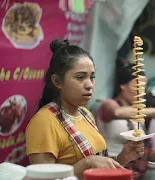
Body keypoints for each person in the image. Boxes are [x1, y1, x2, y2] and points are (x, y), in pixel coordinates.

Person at [25, 39, 144, 179]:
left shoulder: (85, 114)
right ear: (57, 81)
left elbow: (98, 170)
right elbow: (42, 179)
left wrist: (123, 157)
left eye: (92, 77)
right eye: (80, 77)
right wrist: (86, 163)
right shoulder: (44, 122)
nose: (89, 85)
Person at [96, 59, 155, 179]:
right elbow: (117, 112)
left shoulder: (137, 114)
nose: (141, 91)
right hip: (112, 170)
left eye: (144, 86)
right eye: (137, 85)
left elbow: (143, 155)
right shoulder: (108, 104)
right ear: (122, 85)